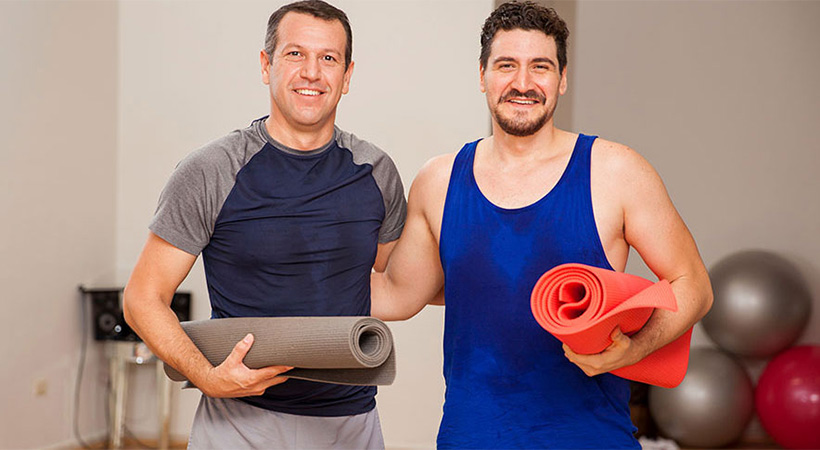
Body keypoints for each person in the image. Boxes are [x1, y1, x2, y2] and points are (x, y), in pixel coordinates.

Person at [370, 1, 713, 448]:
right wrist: (274, 275)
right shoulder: (438, 181)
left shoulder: (615, 171)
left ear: (562, 79)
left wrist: (634, 349)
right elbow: (398, 292)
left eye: (541, 66)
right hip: (470, 436)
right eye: (506, 65)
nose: (523, 83)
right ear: (482, 76)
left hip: (588, 437)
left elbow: (694, 285)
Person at [123, 1, 406, 448]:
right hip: (239, 422)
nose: (312, 72)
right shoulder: (211, 170)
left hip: (351, 423)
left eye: (328, 58)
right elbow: (142, 298)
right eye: (295, 54)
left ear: (347, 75)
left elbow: (389, 283)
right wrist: (207, 377)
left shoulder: (377, 172)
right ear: (265, 64)